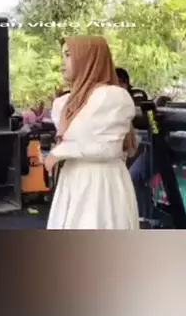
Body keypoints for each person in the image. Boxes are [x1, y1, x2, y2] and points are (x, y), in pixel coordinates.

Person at [44, 36, 139, 229]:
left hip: (100, 182)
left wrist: (57, 153)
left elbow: (106, 147)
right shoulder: (65, 103)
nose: (62, 63)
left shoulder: (112, 97)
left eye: (68, 55)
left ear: (88, 59)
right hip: (73, 178)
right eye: (62, 56)